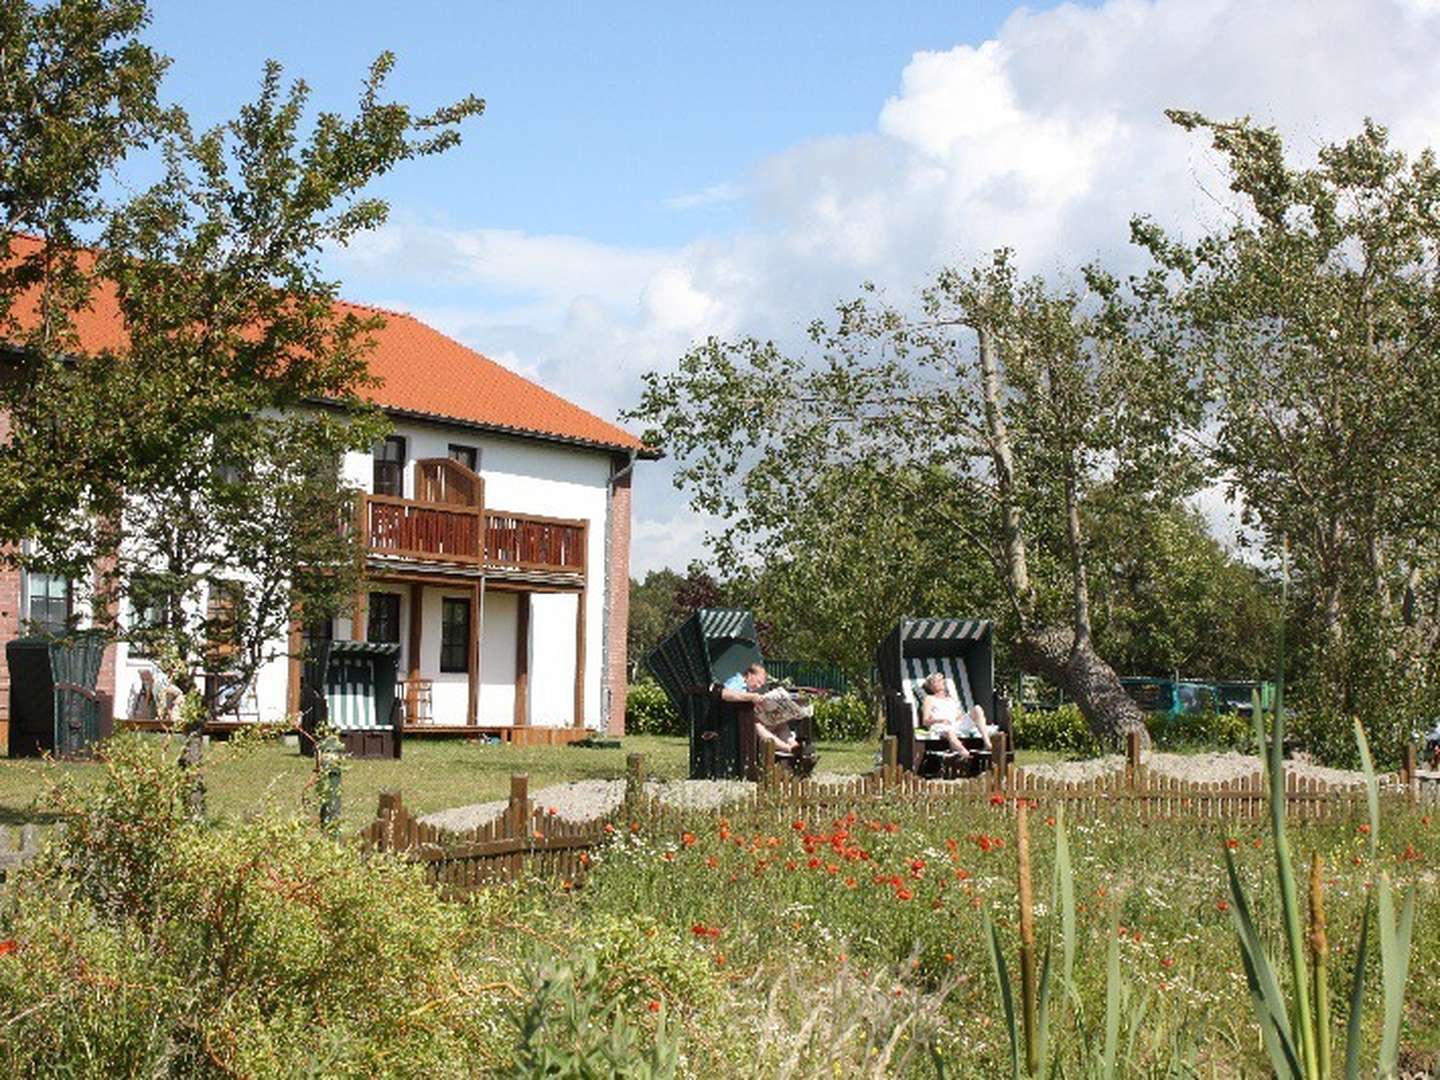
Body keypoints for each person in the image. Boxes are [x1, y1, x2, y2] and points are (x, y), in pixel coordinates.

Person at [720, 663, 800, 754]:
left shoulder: (748, 688)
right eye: (758, 682)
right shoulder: (738, 681)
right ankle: (787, 749)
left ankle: (794, 745)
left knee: (781, 723)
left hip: (746, 720)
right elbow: (724, 693)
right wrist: (750, 697)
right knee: (757, 724)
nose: (758, 686)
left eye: (761, 685)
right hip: (733, 724)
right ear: (749, 675)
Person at [919, 672, 992, 757]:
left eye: (941, 679)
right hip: (941, 725)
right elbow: (925, 721)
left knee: (977, 709)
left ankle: (987, 743)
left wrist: (961, 718)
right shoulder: (929, 699)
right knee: (949, 732)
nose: (941, 682)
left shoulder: (951, 699)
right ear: (931, 686)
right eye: (937, 681)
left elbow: (958, 715)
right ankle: (965, 754)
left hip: (956, 724)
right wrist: (940, 720)